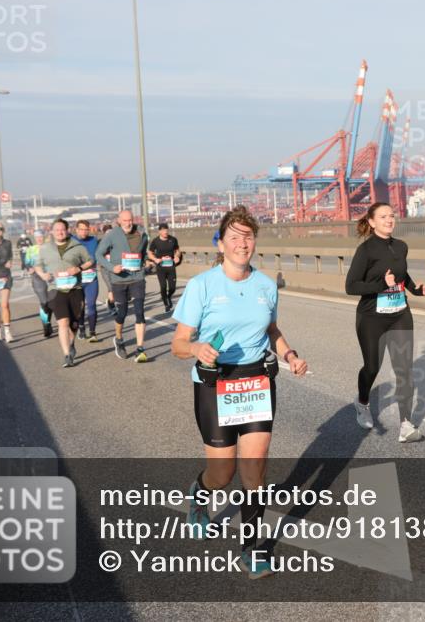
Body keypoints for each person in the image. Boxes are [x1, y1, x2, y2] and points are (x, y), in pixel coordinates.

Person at [171, 205, 307, 579]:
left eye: (248, 236)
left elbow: (272, 330)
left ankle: (251, 547)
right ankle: (200, 493)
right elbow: (178, 343)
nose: (242, 243)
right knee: (222, 473)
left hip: (256, 383)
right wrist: (197, 348)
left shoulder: (265, 285)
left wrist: (290, 355)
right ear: (221, 242)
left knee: (254, 469)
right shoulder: (203, 285)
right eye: (234, 236)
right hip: (215, 384)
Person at [345, 202, 425, 442]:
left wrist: (415, 289)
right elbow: (351, 286)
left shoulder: (401, 246)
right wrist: (382, 285)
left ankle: (406, 425)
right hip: (371, 317)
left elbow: (402, 275)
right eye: (383, 217)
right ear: (372, 222)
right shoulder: (366, 251)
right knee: (372, 367)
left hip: (400, 314)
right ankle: (362, 402)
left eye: (392, 216)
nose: (389, 220)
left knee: (405, 371)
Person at [35, 219, 94, 368]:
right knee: (63, 322)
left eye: (62, 229)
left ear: (67, 231)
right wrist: (43, 275)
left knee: (74, 323)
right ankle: (67, 355)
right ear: (52, 231)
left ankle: (71, 342)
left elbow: (90, 261)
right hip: (56, 289)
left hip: (75, 289)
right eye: (57, 230)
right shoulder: (45, 248)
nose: (60, 232)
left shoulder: (77, 247)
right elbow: (37, 265)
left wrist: (79, 269)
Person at [96, 210, 150, 362]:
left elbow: (143, 253)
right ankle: (119, 339)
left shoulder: (141, 233)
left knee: (140, 312)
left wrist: (147, 261)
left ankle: (140, 349)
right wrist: (112, 267)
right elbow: (99, 255)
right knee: (122, 313)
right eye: (125, 220)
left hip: (137, 277)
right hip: (119, 280)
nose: (128, 223)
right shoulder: (111, 235)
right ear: (119, 221)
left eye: (130, 220)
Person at [72, 220, 101, 341]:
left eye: (86, 229)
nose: (84, 232)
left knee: (91, 305)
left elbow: (99, 255)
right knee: (80, 306)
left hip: (91, 279)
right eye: (82, 229)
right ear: (76, 229)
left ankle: (93, 332)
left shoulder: (93, 240)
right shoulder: (71, 240)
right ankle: (82, 327)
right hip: (76, 279)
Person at [147, 222, 181, 312]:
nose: (165, 231)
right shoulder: (155, 241)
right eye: (163, 230)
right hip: (161, 268)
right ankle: (166, 304)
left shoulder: (173, 239)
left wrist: (177, 256)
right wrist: (155, 259)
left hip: (171, 267)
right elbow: (150, 253)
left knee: (172, 288)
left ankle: (168, 297)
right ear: (159, 231)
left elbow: (177, 250)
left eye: (166, 229)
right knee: (163, 287)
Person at [26, 230, 54, 338]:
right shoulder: (31, 249)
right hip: (37, 276)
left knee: (51, 301)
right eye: (37, 237)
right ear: (34, 238)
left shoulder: (50, 248)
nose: (39, 239)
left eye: (41, 236)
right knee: (44, 301)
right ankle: (45, 325)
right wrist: (30, 268)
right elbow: (27, 262)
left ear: (44, 237)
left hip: (50, 276)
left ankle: (48, 321)